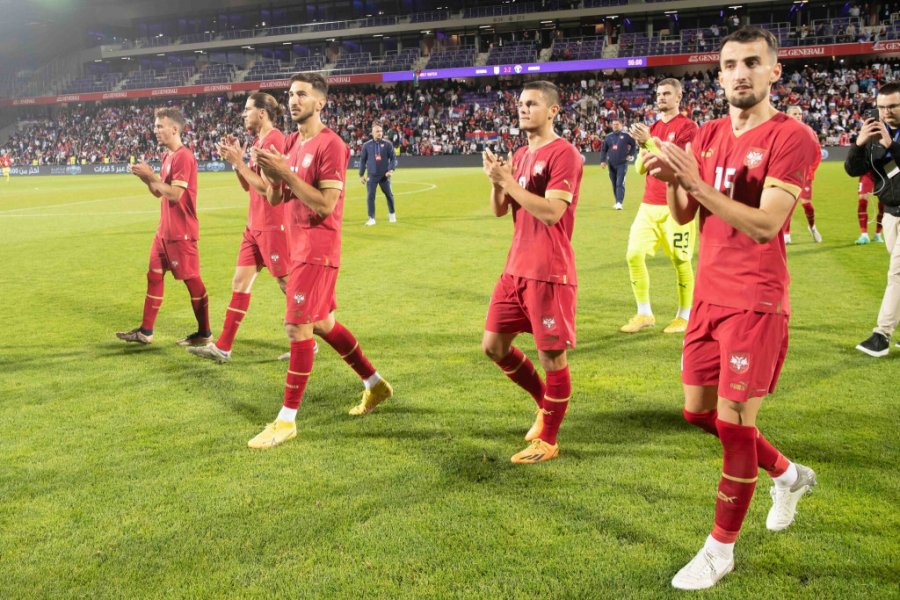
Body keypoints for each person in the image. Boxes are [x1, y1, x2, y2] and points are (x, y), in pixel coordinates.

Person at [645, 27, 819, 590]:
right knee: (697, 413)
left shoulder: (793, 137)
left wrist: (694, 182)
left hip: (755, 300)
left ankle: (720, 550)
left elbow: (766, 224)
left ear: (774, 71)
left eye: (751, 62)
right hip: (709, 297)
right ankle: (788, 474)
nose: (740, 73)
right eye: (729, 65)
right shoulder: (709, 133)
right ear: (718, 75)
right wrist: (674, 180)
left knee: (735, 422)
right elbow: (682, 214)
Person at [247, 72, 393, 449]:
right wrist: (271, 173)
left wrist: (286, 174)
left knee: (297, 328)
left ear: (320, 102)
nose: (293, 100)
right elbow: (276, 199)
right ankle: (375, 384)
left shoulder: (332, 145)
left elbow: (326, 205)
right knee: (325, 323)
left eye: (302, 94)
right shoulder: (291, 142)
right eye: (290, 94)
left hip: (318, 250)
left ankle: (286, 421)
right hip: (296, 247)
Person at [481, 80, 583, 464]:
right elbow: (499, 209)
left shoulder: (565, 153)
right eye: (521, 104)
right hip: (515, 269)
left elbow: (552, 212)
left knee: (552, 358)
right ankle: (545, 403)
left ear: (553, 110)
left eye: (532, 104)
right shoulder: (521, 154)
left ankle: (548, 441)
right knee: (493, 346)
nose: (523, 109)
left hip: (548, 271)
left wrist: (507, 181)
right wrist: (498, 183)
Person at [187, 92, 291, 364]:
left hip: (272, 225)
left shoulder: (274, 140)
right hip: (254, 225)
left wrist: (239, 163)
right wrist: (237, 163)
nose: (243, 114)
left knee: (287, 283)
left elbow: (268, 190)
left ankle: (306, 342)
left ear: (262, 113)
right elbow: (248, 186)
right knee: (239, 282)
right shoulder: (258, 142)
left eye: (248, 109)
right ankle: (223, 348)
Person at [116, 107, 212, 347]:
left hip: (181, 232)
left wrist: (152, 177)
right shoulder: (168, 156)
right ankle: (146, 331)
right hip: (164, 231)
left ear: (174, 129)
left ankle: (205, 333)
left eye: (160, 126)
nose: (155, 130)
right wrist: (147, 179)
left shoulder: (183, 157)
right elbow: (158, 192)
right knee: (154, 275)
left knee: (192, 281)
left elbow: (175, 195)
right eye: (155, 126)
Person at [623, 78, 699, 334]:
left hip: (676, 205)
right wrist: (643, 145)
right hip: (648, 205)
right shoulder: (652, 128)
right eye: (658, 94)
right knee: (633, 254)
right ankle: (644, 313)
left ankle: (684, 316)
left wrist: (649, 142)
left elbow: (677, 163)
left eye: (666, 93)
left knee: (680, 259)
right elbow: (639, 168)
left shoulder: (688, 127)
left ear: (678, 97)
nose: (661, 98)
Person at [845, 81, 900, 357]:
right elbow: (852, 169)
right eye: (881, 107)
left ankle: (882, 335)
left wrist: (892, 146)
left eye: (893, 106)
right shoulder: (875, 133)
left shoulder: (888, 138)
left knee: (897, 274)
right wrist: (859, 143)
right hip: (891, 213)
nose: (886, 112)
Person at [784, 106, 823, 243]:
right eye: (795, 114)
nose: (798, 116)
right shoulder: (783, 131)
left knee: (806, 204)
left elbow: (817, 154)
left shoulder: (809, 132)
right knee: (787, 204)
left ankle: (812, 227)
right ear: (788, 115)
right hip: (788, 174)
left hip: (804, 174)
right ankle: (786, 234)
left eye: (800, 114)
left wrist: (809, 172)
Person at [359, 122, 398, 226]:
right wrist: (361, 174)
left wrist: (391, 170)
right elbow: (362, 160)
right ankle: (371, 218)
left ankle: (392, 214)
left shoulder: (388, 144)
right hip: (372, 175)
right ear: (372, 133)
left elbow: (393, 159)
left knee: (389, 195)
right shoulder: (366, 145)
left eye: (381, 131)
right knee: (370, 196)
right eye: (377, 131)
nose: (379, 133)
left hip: (385, 175)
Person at [599, 119, 636, 210]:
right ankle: (617, 201)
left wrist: (630, 154)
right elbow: (603, 149)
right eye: (614, 124)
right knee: (614, 183)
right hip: (611, 164)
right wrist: (602, 161)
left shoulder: (626, 135)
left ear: (621, 125)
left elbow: (634, 145)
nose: (615, 126)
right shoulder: (608, 137)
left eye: (617, 124)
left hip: (622, 163)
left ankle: (619, 202)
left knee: (620, 182)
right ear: (612, 125)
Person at [855, 172, 885, 244]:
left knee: (883, 205)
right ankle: (864, 235)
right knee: (862, 201)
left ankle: (878, 234)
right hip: (867, 173)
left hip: (883, 174)